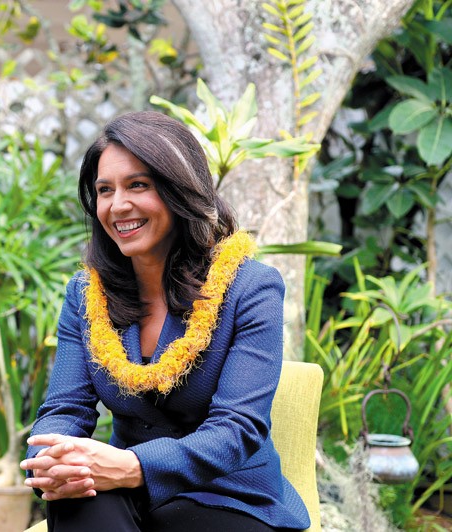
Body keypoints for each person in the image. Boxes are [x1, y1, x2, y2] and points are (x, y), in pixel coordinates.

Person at [19, 111, 310, 531]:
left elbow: (237, 429)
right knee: (78, 500)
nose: (118, 205)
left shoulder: (250, 287)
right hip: (126, 497)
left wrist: (131, 466)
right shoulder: (86, 296)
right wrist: (53, 457)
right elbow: (65, 407)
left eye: (138, 185)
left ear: (179, 190)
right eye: (105, 190)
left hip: (228, 498)